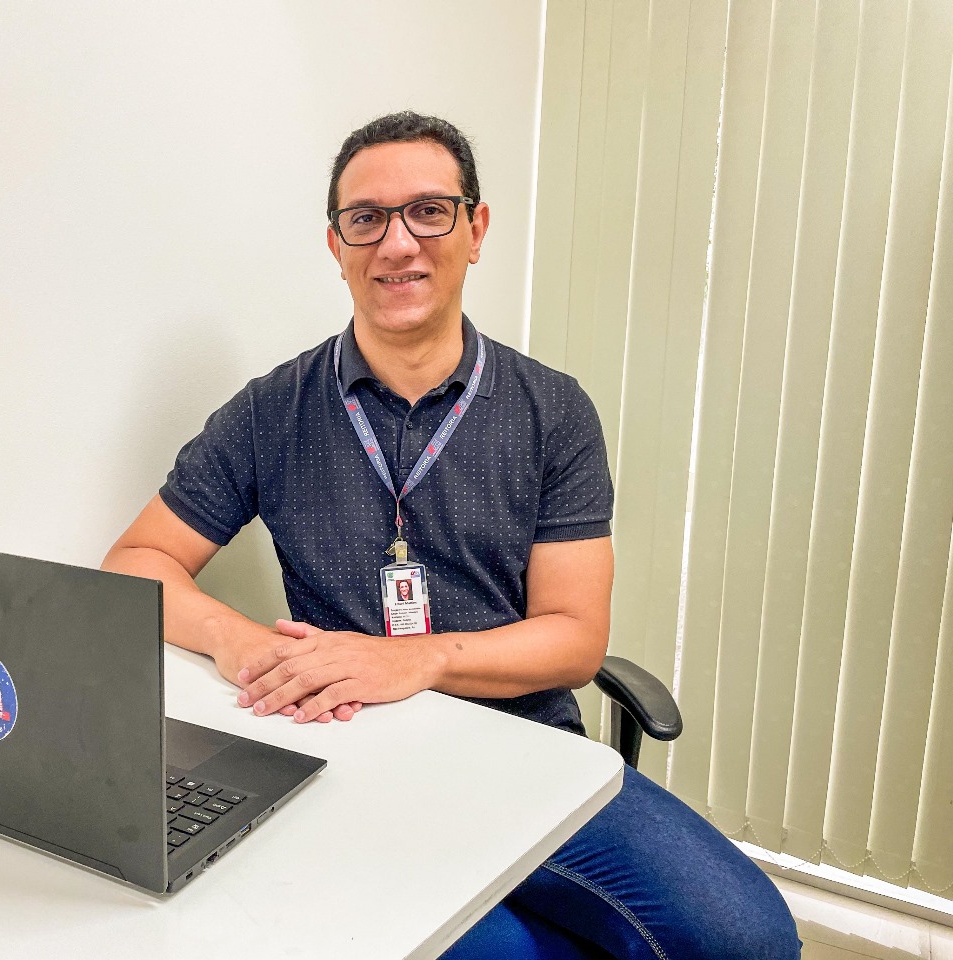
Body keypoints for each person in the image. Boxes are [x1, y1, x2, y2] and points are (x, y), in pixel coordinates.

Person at [102, 111, 799, 958]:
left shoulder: (552, 411)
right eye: (366, 219)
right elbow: (136, 563)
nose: (398, 244)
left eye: (429, 211)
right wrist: (239, 641)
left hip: (526, 749)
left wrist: (419, 658)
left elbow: (575, 641)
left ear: (476, 229)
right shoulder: (270, 411)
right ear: (336, 245)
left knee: (749, 938)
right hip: (357, 758)